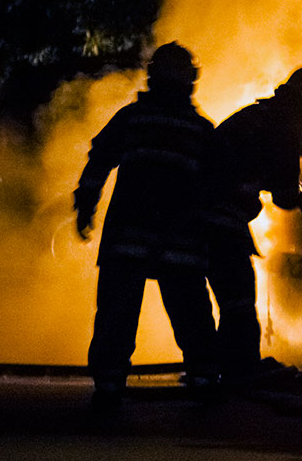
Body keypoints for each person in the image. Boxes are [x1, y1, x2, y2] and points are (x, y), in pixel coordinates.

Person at [74, 42, 218, 412]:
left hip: (128, 240)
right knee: (191, 313)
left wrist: (85, 207)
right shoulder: (202, 130)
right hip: (180, 243)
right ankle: (203, 378)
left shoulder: (133, 118)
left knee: (116, 314)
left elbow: (99, 161)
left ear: (153, 77)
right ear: (191, 81)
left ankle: (109, 384)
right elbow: (217, 186)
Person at [203, 64, 302, 382]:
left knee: (226, 293)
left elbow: (277, 182)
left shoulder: (264, 115)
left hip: (203, 212)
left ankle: (215, 365)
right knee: (239, 293)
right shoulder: (288, 122)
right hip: (219, 214)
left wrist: (298, 193)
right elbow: (285, 194)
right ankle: (240, 368)